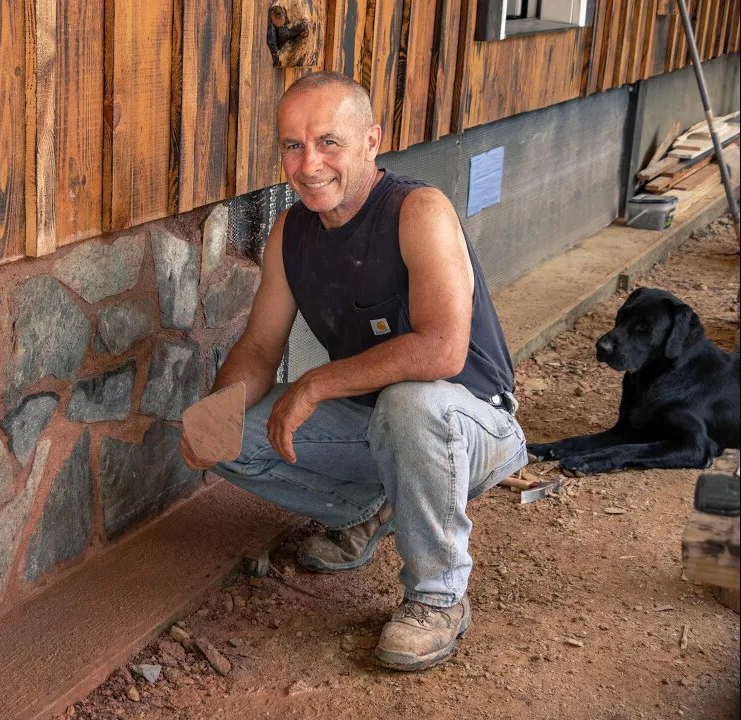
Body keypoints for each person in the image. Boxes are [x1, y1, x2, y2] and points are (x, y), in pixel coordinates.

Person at [179, 72, 527, 671]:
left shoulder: (420, 211)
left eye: (328, 142)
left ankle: (438, 597)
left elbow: (443, 350)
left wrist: (316, 383)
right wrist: (215, 416)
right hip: (380, 425)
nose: (308, 163)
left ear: (371, 140)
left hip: (474, 424)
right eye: (293, 145)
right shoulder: (291, 233)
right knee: (229, 437)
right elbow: (260, 347)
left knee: (411, 405)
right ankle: (369, 512)